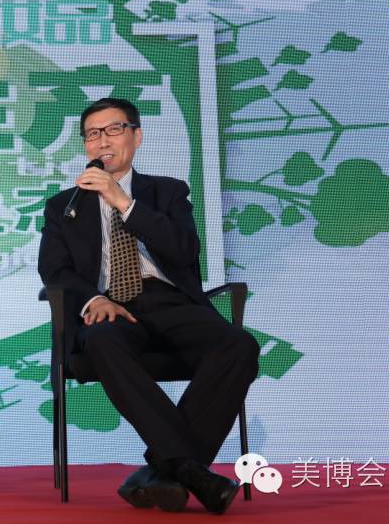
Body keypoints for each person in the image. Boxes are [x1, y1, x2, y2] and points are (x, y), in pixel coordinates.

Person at [38, 98, 260, 514]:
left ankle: (165, 469)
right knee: (100, 341)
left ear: (136, 136)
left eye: (113, 129)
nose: (102, 141)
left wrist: (123, 201)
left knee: (239, 346)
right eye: (92, 134)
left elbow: (183, 250)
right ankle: (186, 471)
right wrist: (93, 298)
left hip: (171, 303)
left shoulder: (167, 192)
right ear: (85, 145)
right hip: (111, 307)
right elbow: (54, 270)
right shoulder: (64, 206)